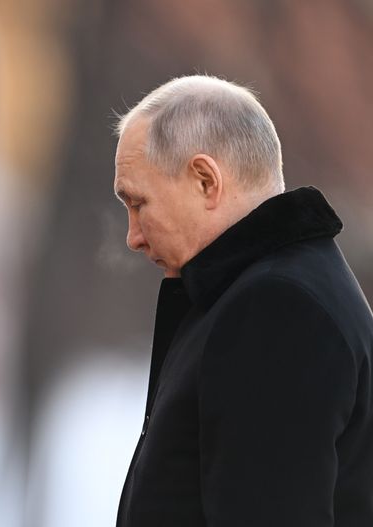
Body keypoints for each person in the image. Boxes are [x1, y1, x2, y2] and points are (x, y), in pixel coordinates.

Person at [112, 75, 373, 526]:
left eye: (138, 204)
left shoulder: (278, 309)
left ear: (205, 180)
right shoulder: (264, 292)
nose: (133, 237)